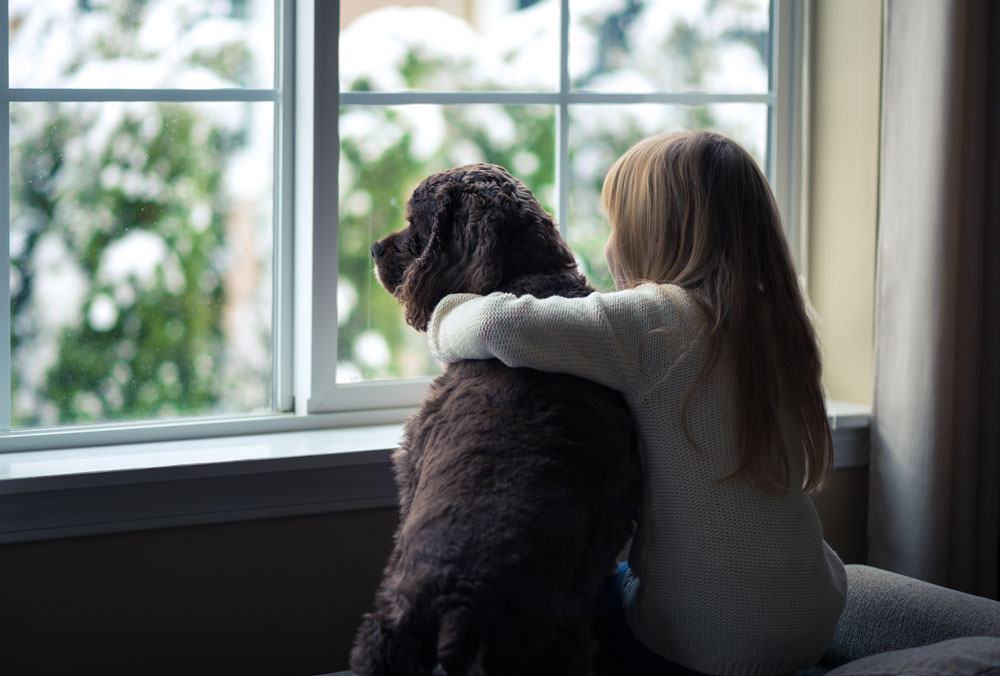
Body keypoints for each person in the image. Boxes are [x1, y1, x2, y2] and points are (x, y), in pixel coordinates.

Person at [426, 130, 847, 676]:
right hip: (813, 615)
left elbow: (498, 324)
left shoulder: (656, 321)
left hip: (707, 644)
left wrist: (441, 317)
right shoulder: (787, 321)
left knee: (587, 594)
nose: (608, 245)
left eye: (616, 225)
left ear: (655, 233)